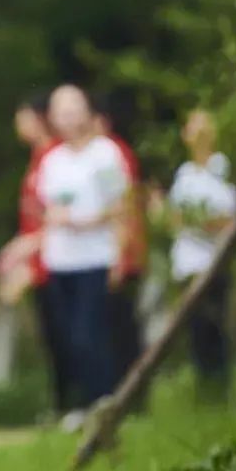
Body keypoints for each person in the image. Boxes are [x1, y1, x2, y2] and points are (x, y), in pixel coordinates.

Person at [36, 85, 128, 428]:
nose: (69, 116)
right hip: (61, 261)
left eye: (75, 107)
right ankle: (80, 404)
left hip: (95, 257)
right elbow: (47, 209)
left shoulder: (105, 154)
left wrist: (93, 228)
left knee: (90, 334)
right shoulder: (52, 160)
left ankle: (103, 403)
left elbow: (119, 206)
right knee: (67, 336)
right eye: (62, 109)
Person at [0, 94, 70, 415]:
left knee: (64, 337)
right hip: (38, 259)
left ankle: (71, 404)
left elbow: (59, 217)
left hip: (55, 261)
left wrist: (28, 250)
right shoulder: (38, 159)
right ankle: (60, 404)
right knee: (51, 337)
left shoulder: (56, 157)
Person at [165, 109, 236, 397]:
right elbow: (174, 217)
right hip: (187, 263)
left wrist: (196, 220)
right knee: (196, 330)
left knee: (214, 325)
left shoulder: (221, 169)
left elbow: (226, 216)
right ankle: (204, 388)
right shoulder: (184, 175)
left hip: (214, 260)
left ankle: (220, 387)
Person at [92, 97, 147, 387]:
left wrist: (121, 255)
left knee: (121, 329)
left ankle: (130, 391)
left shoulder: (110, 154)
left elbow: (123, 208)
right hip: (121, 252)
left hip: (123, 254)